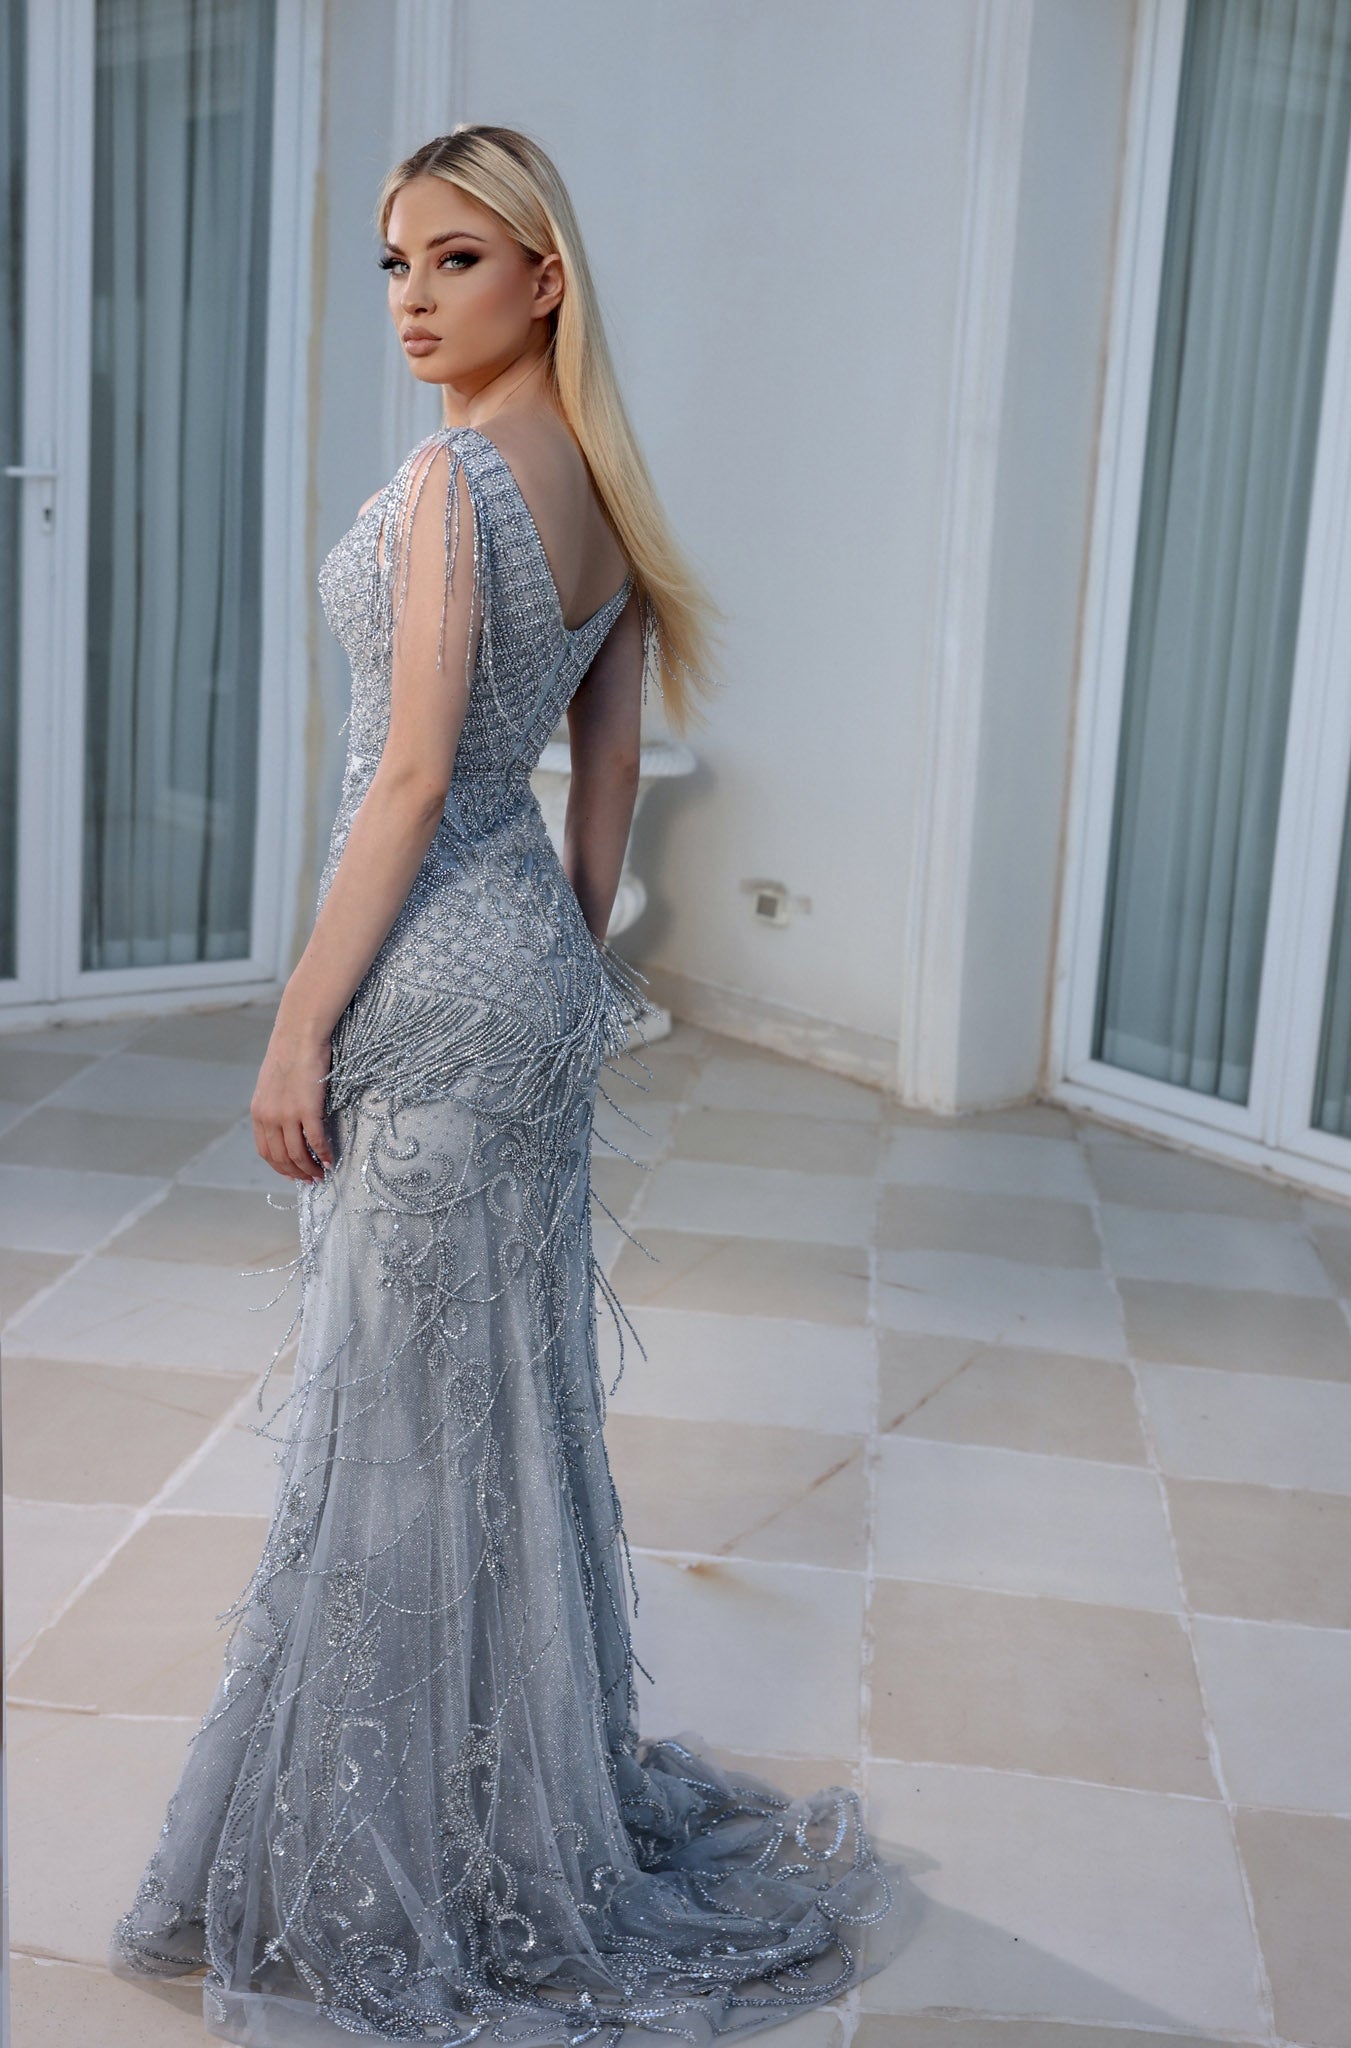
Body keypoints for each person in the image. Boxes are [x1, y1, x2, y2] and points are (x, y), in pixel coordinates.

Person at [108, 123, 911, 2046]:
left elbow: (406, 782)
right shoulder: (605, 488)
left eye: (453, 260)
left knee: (403, 1427)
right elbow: (600, 776)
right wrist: (557, 945)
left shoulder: (460, 477)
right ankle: (492, 1812)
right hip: (529, 973)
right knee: (500, 1414)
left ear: (543, 277)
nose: (411, 297)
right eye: (394, 263)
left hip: (426, 978)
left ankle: (408, 1859)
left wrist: (298, 1027)